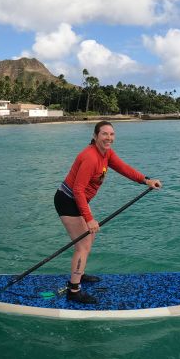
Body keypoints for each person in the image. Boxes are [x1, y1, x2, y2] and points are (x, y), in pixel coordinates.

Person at [54, 120, 162, 304]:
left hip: (77, 201)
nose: (109, 138)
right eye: (104, 134)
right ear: (95, 136)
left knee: (88, 240)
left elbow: (123, 168)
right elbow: (78, 190)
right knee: (83, 244)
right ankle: (74, 290)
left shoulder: (106, 153)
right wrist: (89, 219)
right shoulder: (90, 157)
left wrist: (146, 180)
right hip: (68, 200)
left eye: (111, 134)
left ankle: (78, 274)